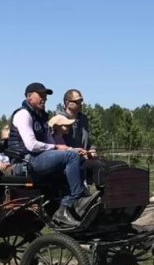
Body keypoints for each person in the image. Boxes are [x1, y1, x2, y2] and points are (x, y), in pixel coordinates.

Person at [7, 82, 91, 227]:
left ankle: (63, 209)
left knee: (79, 165)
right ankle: (78, 198)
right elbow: (31, 145)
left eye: (45, 96)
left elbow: (52, 143)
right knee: (72, 157)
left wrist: (71, 149)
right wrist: (59, 148)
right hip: (23, 162)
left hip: (37, 159)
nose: (44, 98)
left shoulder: (40, 117)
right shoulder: (23, 114)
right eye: (40, 95)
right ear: (28, 97)